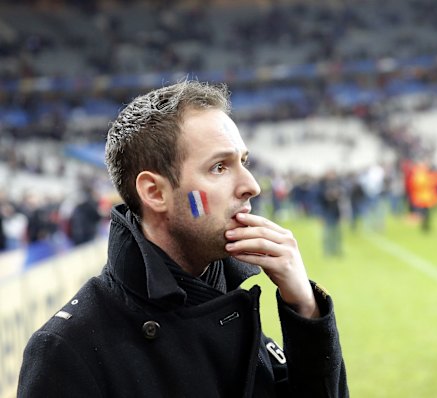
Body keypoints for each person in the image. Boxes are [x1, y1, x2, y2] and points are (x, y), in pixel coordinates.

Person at [18, 81, 349, 397]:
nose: (252, 185)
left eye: (243, 162)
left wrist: (306, 309)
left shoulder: (226, 299)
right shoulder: (66, 349)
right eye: (220, 167)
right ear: (155, 192)